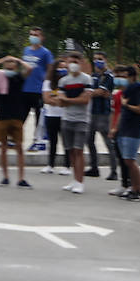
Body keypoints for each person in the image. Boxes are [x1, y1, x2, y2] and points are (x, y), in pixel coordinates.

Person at [0, 55, 30, 188]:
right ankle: (5, 177)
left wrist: (19, 60)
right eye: (7, 62)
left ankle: (21, 178)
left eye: (12, 62)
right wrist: (1, 60)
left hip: (17, 116)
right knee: (3, 147)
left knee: (19, 147)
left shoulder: (18, 77)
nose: (10, 64)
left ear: (16, 65)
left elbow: (30, 69)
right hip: (3, 116)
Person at [53, 54, 93, 192]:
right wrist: (72, 99)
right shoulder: (64, 81)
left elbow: (85, 100)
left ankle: (80, 182)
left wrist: (68, 100)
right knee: (70, 150)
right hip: (66, 119)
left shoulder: (86, 79)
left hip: (81, 119)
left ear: (81, 63)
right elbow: (60, 101)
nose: (73, 64)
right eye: (71, 62)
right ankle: (75, 179)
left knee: (78, 150)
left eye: (76, 62)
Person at [113, 65, 140, 200]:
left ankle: (139, 190)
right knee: (128, 161)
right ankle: (134, 188)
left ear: (132, 77)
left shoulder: (137, 91)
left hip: (133, 130)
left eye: (125, 76)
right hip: (124, 130)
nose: (122, 79)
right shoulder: (127, 92)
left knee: (131, 161)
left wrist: (126, 104)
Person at [20, 28, 53, 149]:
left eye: (36, 35)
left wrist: (47, 84)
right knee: (21, 115)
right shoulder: (26, 50)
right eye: (31, 34)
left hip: (39, 89)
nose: (33, 37)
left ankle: (38, 141)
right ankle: (15, 138)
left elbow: (50, 68)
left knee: (39, 118)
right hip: (26, 88)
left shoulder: (45, 53)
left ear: (42, 37)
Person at [88, 51, 115, 181]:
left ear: (105, 60)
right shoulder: (94, 76)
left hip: (104, 113)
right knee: (89, 140)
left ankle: (114, 171)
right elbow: (94, 91)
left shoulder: (109, 76)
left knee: (108, 142)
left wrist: (93, 92)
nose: (97, 61)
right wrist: (95, 92)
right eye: (95, 59)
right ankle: (94, 168)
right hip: (92, 111)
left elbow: (102, 92)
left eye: (100, 59)